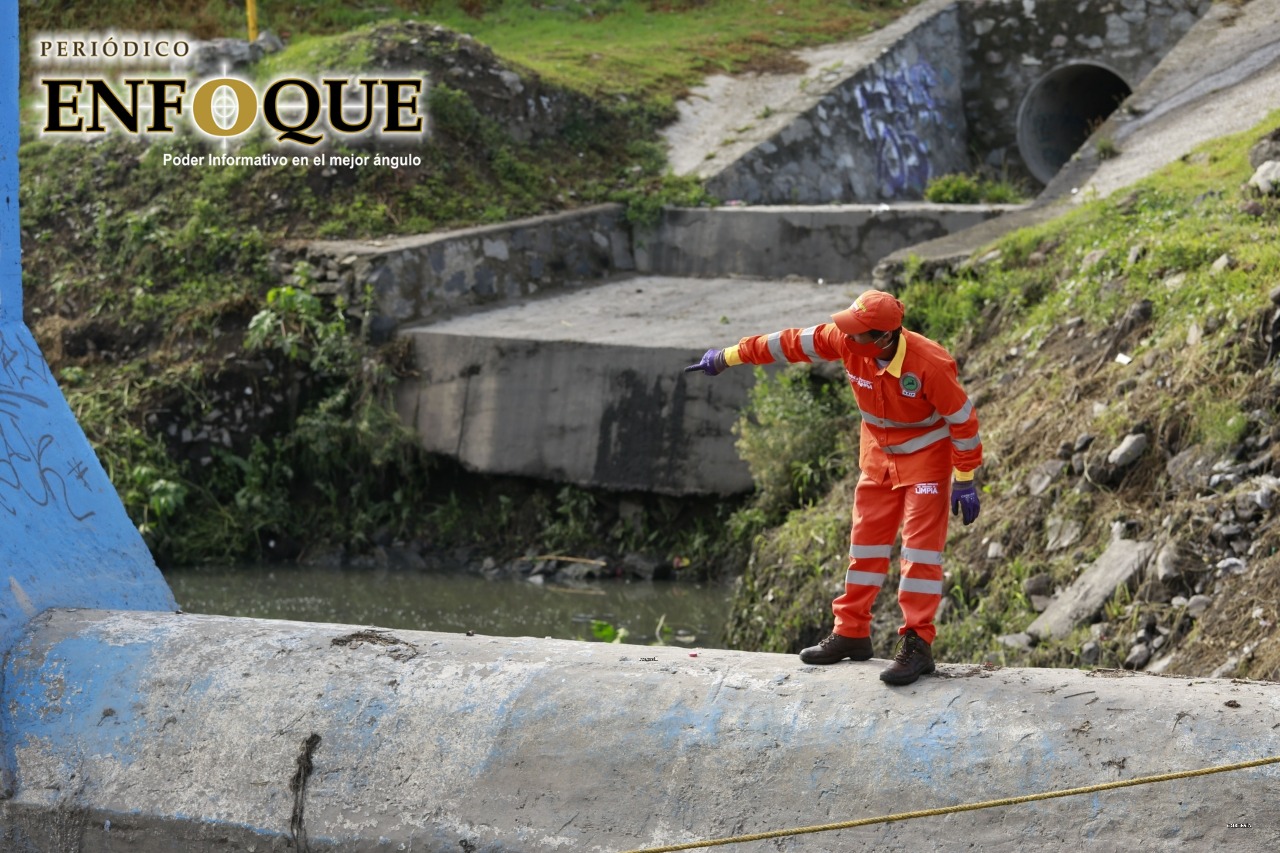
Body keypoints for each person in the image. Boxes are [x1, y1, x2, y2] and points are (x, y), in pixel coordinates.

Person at [685, 290, 982, 686]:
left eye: (857, 332)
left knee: (920, 555)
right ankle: (851, 633)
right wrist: (729, 356)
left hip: (926, 463)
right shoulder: (846, 340)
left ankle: (917, 644)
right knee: (865, 547)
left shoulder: (928, 364)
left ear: (882, 338)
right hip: (877, 458)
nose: (847, 337)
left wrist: (964, 478)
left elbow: (963, 422)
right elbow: (787, 343)